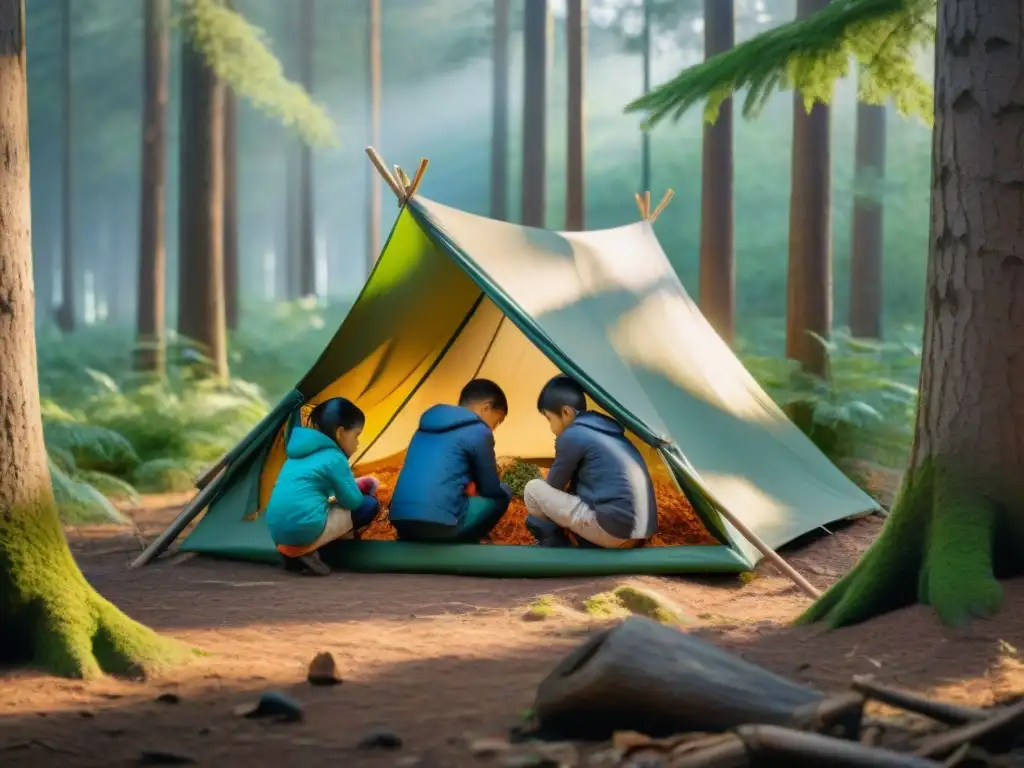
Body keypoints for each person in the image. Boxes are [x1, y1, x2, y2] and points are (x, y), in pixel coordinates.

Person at [524, 375, 658, 548]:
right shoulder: (608, 431)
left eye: (549, 419)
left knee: (533, 489)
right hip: (641, 534)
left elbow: (553, 486)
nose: (551, 428)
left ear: (566, 412)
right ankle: (585, 537)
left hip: (614, 533)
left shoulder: (572, 435)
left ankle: (555, 538)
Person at [264, 397, 380, 575]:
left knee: (317, 509)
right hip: (304, 527)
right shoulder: (335, 457)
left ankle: (293, 552)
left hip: (277, 529)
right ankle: (307, 551)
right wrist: (360, 489)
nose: (357, 444)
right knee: (368, 505)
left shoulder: (296, 453)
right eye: (356, 436)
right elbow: (353, 502)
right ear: (340, 432)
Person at [389, 379, 513, 543]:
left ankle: (409, 538)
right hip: (441, 527)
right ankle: (471, 540)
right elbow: (491, 489)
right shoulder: (479, 431)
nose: (493, 428)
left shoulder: (424, 427)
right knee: (503, 494)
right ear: (486, 407)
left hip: (401, 521)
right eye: (496, 421)